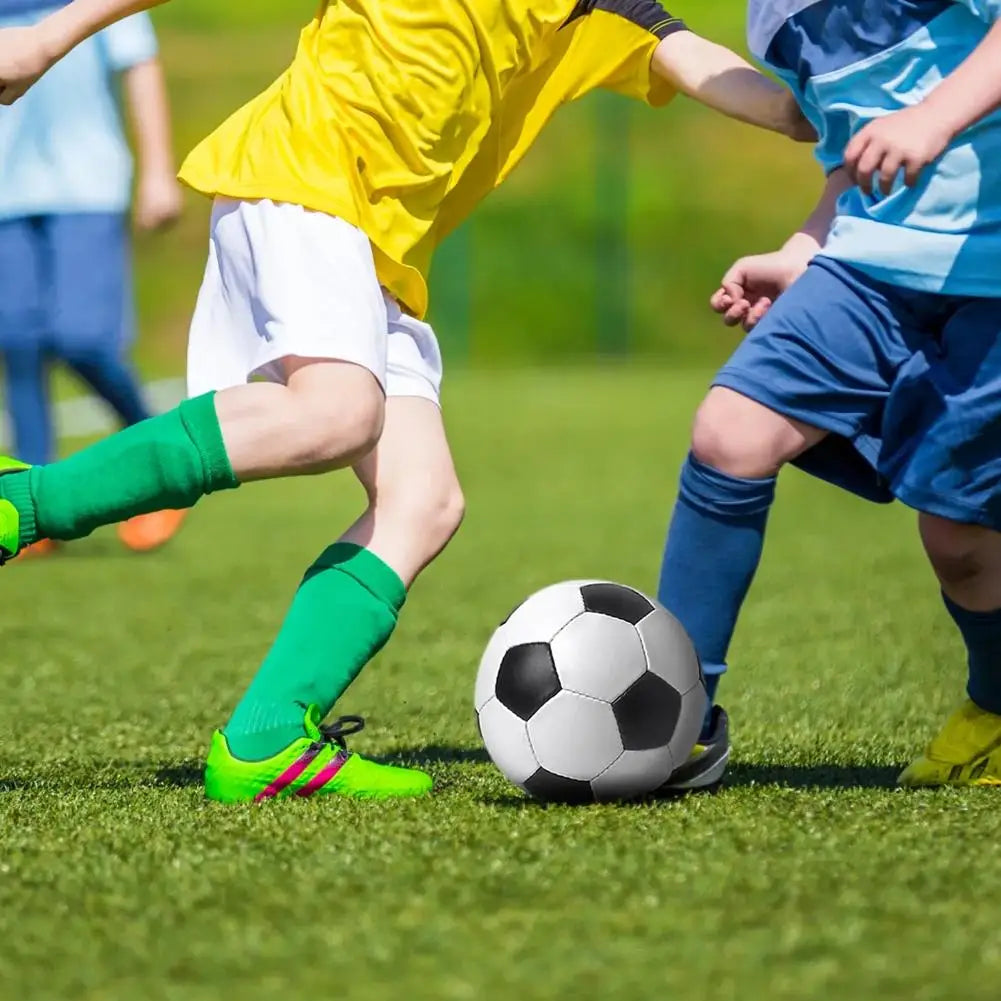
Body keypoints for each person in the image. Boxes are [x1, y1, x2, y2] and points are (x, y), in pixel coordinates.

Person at [0, 0, 811, 804]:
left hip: (378, 259)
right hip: (304, 179)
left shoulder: (593, 11)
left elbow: (699, 62)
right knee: (336, 412)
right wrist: (47, 34)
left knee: (421, 502)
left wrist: (811, 107)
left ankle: (265, 738)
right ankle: (22, 503)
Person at [656, 0, 1001, 791]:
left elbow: (916, 121)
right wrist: (804, 247)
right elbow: (856, 151)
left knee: (960, 542)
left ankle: (995, 707)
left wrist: (934, 116)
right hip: (871, 265)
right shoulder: (772, 20)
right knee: (730, 432)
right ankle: (673, 718)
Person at [0, 0, 186, 559]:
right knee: (16, 342)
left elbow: (141, 64)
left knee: (82, 337)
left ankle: (163, 465)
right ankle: (32, 506)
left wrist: (157, 170)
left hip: (86, 187)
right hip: (6, 197)